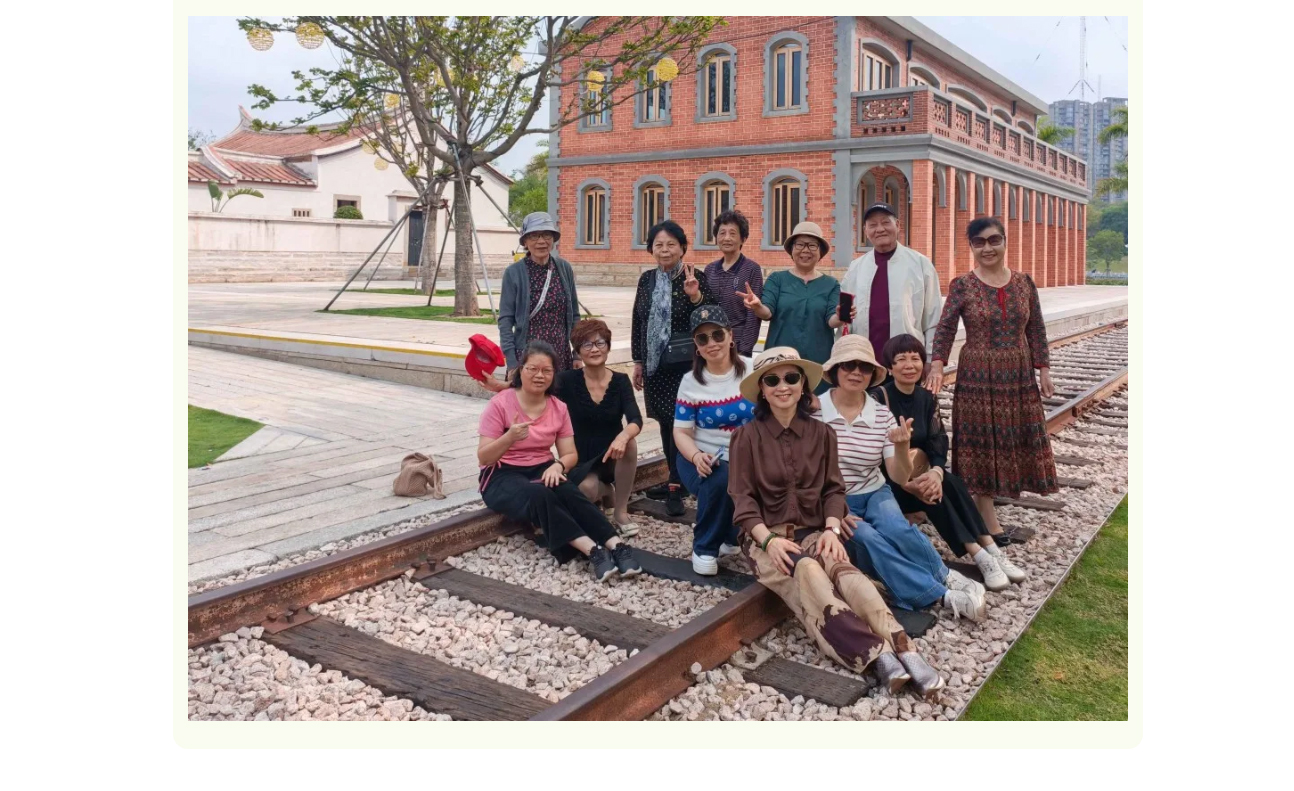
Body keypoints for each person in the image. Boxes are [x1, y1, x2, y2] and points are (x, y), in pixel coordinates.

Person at [728, 347, 945, 699]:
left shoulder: (822, 434)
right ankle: (875, 655)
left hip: (815, 530)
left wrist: (831, 529)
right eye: (772, 380)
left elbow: (833, 489)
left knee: (847, 573)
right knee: (809, 571)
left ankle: (904, 647)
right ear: (762, 390)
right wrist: (769, 541)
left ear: (803, 385)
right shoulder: (746, 438)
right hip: (767, 538)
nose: (783, 386)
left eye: (791, 378)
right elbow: (742, 500)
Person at [817, 335, 988, 620]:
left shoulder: (881, 414)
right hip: (835, 499)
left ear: (872, 373)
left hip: (874, 490)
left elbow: (898, 476)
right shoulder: (816, 412)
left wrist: (901, 446)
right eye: (848, 365)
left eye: (864, 367)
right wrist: (831, 511)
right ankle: (940, 595)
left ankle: (944, 575)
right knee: (869, 539)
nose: (856, 372)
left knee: (897, 527)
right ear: (835, 370)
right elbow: (805, 472)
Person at [926, 216, 1059, 541]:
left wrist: (1043, 368)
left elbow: (1036, 328)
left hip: (1018, 373)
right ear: (971, 247)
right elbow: (945, 327)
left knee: (1012, 436)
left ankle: (996, 495)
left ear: (1004, 242)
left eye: (993, 240)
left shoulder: (1024, 283)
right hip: (977, 374)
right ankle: (986, 515)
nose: (987, 248)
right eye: (979, 242)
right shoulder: (962, 285)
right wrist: (937, 365)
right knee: (981, 440)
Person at [477, 341, 642, 582]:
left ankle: (616, 545)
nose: (539, 375)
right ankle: (592, 550)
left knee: (569, 492)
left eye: (546, 370)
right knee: (540, 493)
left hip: (543, 468)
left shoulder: (558, 407)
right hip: (501, 474)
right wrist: (509, 437)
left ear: (554, 374)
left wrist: (559, 465)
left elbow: (569, 454)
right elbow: (484, 457)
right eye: (533, 369)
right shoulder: (500, 403)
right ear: (521, 370)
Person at [872, 334, 1027, 589]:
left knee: (949, 482)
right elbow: (874, 453)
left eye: (915, 359)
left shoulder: (926, 398)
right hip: (890, 482)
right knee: (932, 492)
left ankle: (990, 550)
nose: (909, 365)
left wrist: (936, 472)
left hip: (919, 472)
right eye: (901, 360)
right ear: (889, 367)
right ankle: (981, 555)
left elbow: (938, 439)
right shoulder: (878, 399)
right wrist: (909, 483)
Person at [631, 220, 716, 516]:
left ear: (682, 247)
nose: (665, 250)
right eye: (659, 245)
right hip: (656, 366)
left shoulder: (695, 277)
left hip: (685, 367)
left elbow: (710, 317)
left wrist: (695, 297)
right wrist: (638, 362)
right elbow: (638, 321)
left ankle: (677, 484)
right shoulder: (647, 280)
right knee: (665, 424)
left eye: (671, 244)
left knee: (683, 424)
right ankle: (674, 478)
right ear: (651, 249)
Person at [671, 305, 754, 575]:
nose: (712, 343)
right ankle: (704, 547)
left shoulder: (753, 369)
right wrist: (696, 456)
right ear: (696, 346)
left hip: (746, 458)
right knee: (720, 478)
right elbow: (681, 432)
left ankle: (730, 534)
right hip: (702, 458)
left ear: (730, 336)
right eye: (702, 338)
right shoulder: (690, 382)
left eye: (717, 335)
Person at [738, 221, 852, 394]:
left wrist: (841, 316)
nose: (805, 250)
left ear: (820, 252)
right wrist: (757, 305)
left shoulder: (831, 284)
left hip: (818, 361)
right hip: (780, 359)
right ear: (792, 249)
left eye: (812, 245)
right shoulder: (777, 279)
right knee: (781, 401)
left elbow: (831, 320)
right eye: (800, 244)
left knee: (817, 406)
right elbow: (767, 312)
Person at [556, 319, 643, 539]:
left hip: (613, 454)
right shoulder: (566, 380)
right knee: (586, 490)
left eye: (600, 343)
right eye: (587, 344)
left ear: (608, 347)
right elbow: (538, 391)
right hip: (581, 459)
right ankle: (606, 491)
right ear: (578, 351)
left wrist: (623, 436)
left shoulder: (620, 381)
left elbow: (635, 419)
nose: (594, 349)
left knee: (630, 442)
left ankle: (621, 512)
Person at [840, 203, 944, 366]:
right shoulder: (856, 268)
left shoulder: (920, 264)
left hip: (906, 362)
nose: (880, 229)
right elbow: (845, 318)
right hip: (865, 362)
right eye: (873, 225)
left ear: (898, 225)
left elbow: (933, 317)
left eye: (885, 222)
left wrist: (931, 359)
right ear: (865, 231)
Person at [496, 212, 581, 384]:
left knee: (560, 400)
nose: (541, 241)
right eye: (534, 236)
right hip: (527, 357)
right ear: (525, 241)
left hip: (560, 355)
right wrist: (512, 362)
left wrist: (577, 354)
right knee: (529, 400)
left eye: (546, 235)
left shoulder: (564, 268)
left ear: (553, 239)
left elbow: (574, 315)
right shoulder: (513, 273)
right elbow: (505, 320)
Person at [702, 209, 764, 357]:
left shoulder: (751, 269)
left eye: (732, 233)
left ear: (743, 239)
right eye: (722, 233)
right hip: (712, 345)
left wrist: (744, 350)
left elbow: (753, 315)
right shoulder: (710, 269)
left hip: (738, 345)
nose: (727, 238)